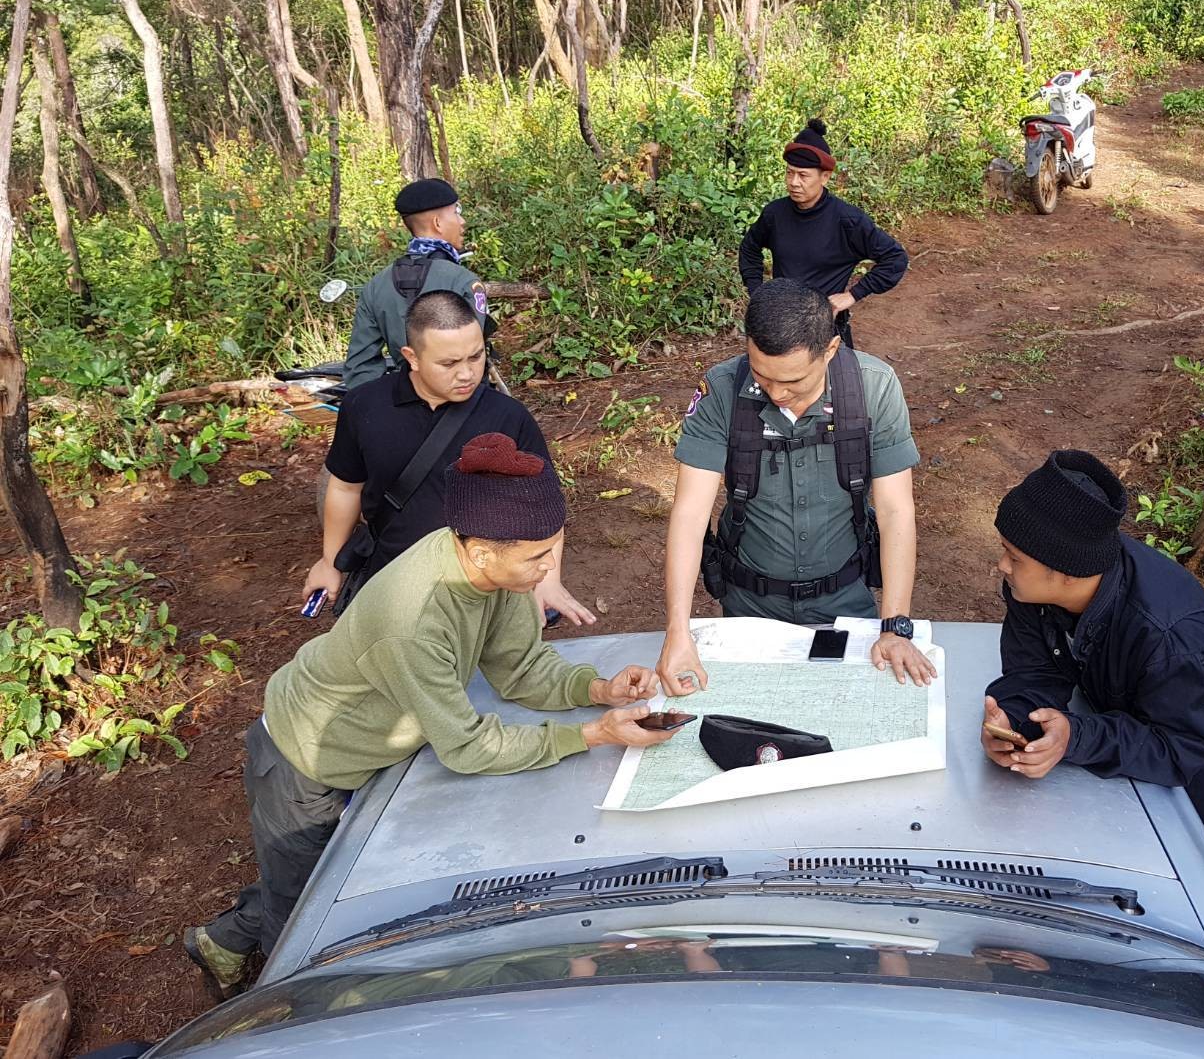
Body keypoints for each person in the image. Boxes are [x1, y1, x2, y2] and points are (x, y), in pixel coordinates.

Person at [184, 433, 677, 1001]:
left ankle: (221, 939)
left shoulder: (497, 572)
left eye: (553, 550)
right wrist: (591, 734)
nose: (548, 571)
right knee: (308, 924)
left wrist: (598, 689)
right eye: (538, 557)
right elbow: (466, 748)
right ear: (482, 551)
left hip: (377, 745)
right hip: (306, 755)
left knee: (315, 877)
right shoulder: (414, 616)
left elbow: (518, 668)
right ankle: (267, 1003)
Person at [979, 450, 1204, 917]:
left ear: (1065, 571)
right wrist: (1015, 722)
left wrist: (1077, 735)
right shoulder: (1034, 587)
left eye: (1012, 556)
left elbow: (1180, 749)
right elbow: (1034, 670)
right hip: (1140, 712)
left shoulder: (1170, 635)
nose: (1001, 565)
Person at [655, 278, 934, 694]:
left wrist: (894, 625)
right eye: (763, 377)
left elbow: (896, 510)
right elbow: (690, 513)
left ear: (831, 350)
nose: (778, 393)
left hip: (844, 601)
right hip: (749, 605)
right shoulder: (722, 390)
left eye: (794, 382)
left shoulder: (873, 387)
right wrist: (677, 631)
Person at [304, 290, 592, 623]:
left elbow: (544, 503)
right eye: (449, 363)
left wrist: (548, 581)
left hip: (483, 586)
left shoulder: (508, 417)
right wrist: (330, 562)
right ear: (411, 357)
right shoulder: (365, 407)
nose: (467, 374)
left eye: (476, 356)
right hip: (394, 576)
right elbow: (345, 487)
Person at [738, 119, 909, 348]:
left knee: (835, 384)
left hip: (825, 330)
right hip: (777, 326)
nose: (794, 182)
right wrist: (757, 291)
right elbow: (750, 248)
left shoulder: (848, 221)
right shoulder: (775, 214)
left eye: (803, 175)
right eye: (789, 173)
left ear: (825, 176)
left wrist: (852, 295)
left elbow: (895, 258)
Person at [343, 177, 491, 390]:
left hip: (402, 402)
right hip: (459, 402)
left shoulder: (375, 286)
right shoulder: (462, 281)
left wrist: (373, 410)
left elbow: (360, 368)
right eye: (457, 212)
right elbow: (474, 355)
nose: (462, 221)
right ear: (437, 223)